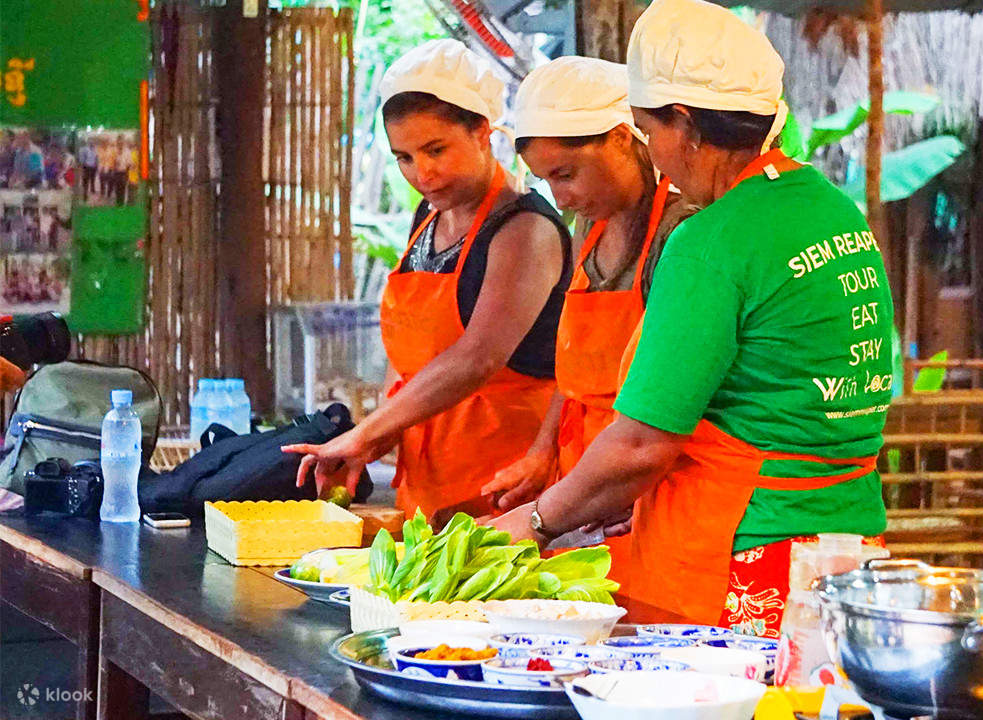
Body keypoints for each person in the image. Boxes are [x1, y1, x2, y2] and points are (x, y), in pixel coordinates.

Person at [489, 0, 895, 638]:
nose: (657, 155)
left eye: (650, 133)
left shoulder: (710, 241)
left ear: (683, 122)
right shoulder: (834, 212)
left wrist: (537, 521)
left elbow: (643, 444)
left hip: (740, 553)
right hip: (843, 549)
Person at [284, 40, 571, 523]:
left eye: (436, 150)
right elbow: (410, 360)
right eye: (405, 158)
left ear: (482, 132)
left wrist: (369, 431)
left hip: (505, 486)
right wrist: (383, 434)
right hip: (425, 480)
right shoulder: (427, 218)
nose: (423, 173)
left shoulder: (524, 230)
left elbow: (476, 358)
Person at [480, 57, 693, 541]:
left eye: (566, 174)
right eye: (547, 180)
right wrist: (542, 454)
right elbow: (574, 373)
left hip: (645, 488)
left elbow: (685, 401)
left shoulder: (680, 231)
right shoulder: (588, 226)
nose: (558, 199)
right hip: (582, 486)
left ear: (621, 138)